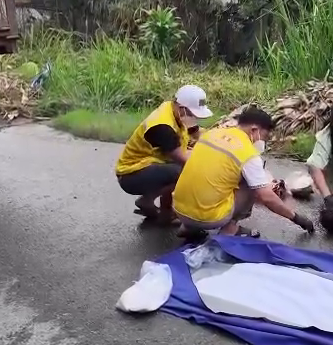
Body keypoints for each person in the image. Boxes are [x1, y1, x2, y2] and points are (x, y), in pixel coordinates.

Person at [172, 106, 316, 239]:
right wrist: (296, 218)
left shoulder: (211, 134)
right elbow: (266, 197)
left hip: (179, 209)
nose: (263, 142)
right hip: (208, 218)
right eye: (264, 137)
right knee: (253, 184)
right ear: (254, 130)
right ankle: (230, 229)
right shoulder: (247, 153)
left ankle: (189, 227)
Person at [115, 84, 212, 224]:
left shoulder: (173, 110)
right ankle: (164, 212)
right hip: (130, 174)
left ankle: (151, 204)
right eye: (193, 114)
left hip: (147, 166)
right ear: (182, 109)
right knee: (183, 171)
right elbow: (185, 160)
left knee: (178, 167)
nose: (195, 118)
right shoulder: (162, 127)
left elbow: (193, 132)